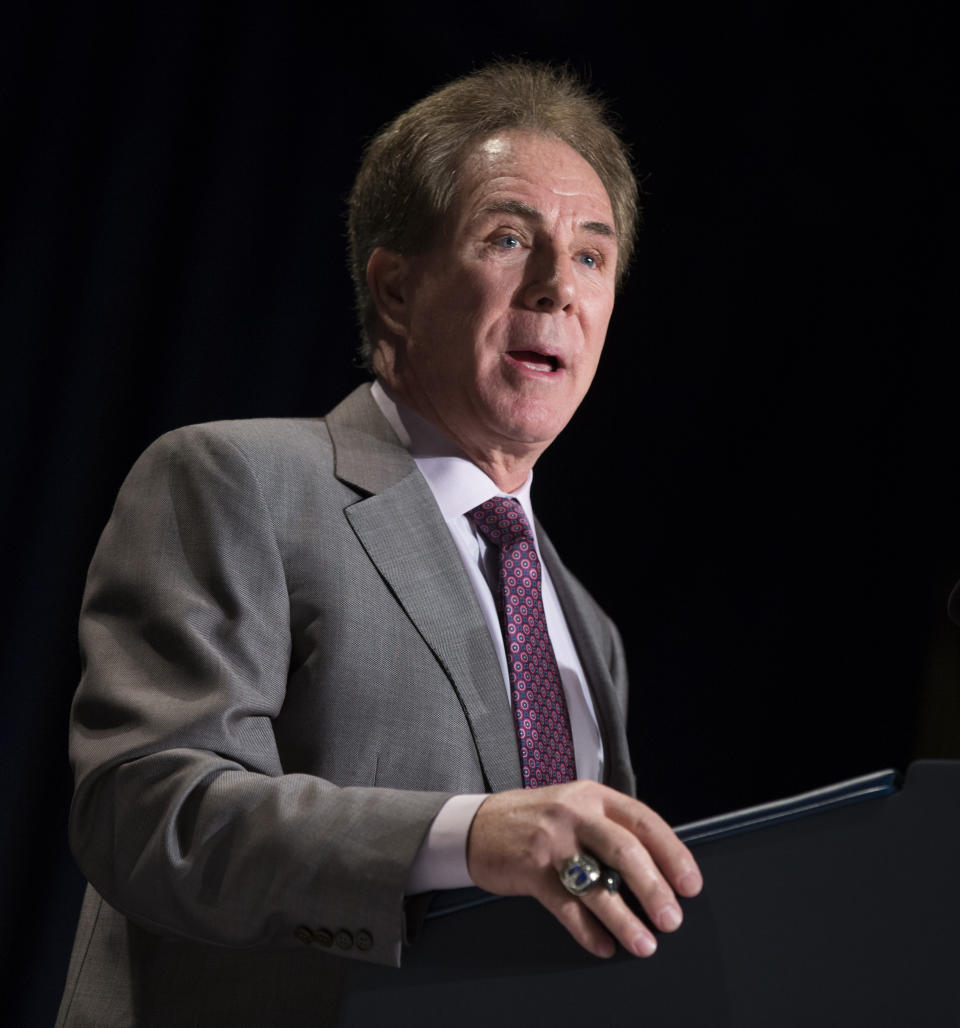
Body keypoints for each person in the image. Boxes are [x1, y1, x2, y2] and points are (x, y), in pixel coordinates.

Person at [56, 61, 702, 1026]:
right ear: (396, 288)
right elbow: (150, 816)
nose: (556, 286)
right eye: (509, 237)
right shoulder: (238, 481)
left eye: (592, 256)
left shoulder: (588, 629)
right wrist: (463, 836)